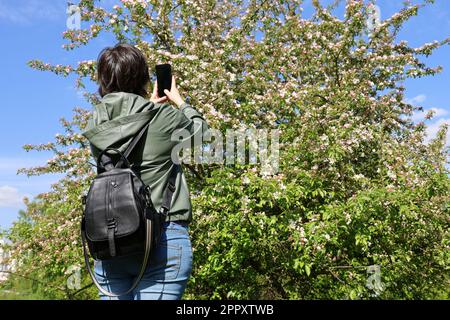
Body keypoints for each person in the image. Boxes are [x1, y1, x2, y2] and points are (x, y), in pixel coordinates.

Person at [81, 43, 209, 300]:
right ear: (143, 77)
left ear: (103, 81)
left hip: (113, 240)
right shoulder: (164, 117)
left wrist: (144, 108)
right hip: (162, 238)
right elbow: (201, 132)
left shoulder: (96, 122)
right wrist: (179, 101)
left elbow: (127, 131)